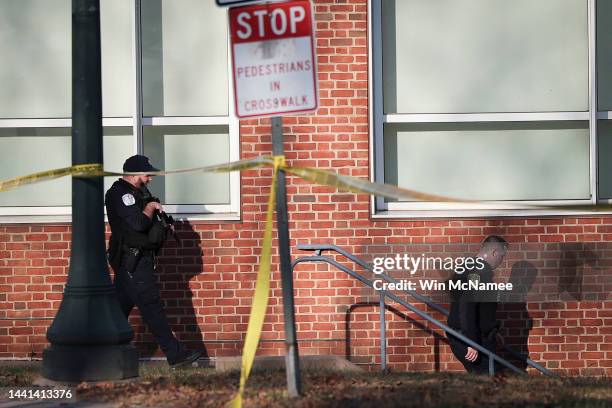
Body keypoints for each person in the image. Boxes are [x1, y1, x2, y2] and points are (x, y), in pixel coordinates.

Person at [105, 154, 203, 368]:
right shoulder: (120, 194)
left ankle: (96, 352)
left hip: (137, 261)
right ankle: (176, 355)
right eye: (147, 174)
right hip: (133, 261)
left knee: (117, 312)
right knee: (152, 309)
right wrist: (151, 207)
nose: (150, 179)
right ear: (134, 174)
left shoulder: (137, 192)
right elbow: (138, 223)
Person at [446, 235, 508, 374]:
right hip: (471, 337)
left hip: (474, 334)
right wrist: (471, 341)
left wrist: (492, 330)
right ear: (494, 253)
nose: (501, 261)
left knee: (492, 375)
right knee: (492, 376)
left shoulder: (469, 268)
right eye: (502, 256)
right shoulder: (478, 272)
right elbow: (466, 306)